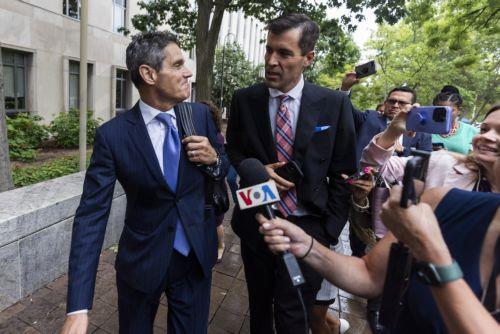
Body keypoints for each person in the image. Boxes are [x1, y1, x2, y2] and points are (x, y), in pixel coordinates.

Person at [61, 31, 229, 334]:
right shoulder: (113, 136)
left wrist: (214, 158)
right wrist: (78, 307)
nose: (188, 72)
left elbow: (224, 168)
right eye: (177, 65)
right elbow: (91, 217)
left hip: (195, 259)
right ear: (149, 74)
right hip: (141, 263)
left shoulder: (200, 115)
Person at [226, 13, 357, 334]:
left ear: (307, 58)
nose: (271, 61)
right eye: (269, 50)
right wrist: (254, 169)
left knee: (294, 314)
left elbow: (344, 172)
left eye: (284, 53)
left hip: (310, 227)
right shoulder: (245, 99)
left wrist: (328, 230)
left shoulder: (334, 104)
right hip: (258, 218)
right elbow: (234, 151)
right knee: (259, 308)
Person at [257, 182, 500, 333]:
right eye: (487, 129)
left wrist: (428, 248)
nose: (487, 138)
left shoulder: (429, 240)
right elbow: (369, 275)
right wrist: (308, 246)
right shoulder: (443, 202)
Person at [360, 104, 500, 193]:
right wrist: (392, 132)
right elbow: (373, 168)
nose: (488, 136)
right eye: (484, 130)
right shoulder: (443, 162)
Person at [200, 100, 229, 262]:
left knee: (217, 222)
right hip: (203, 187)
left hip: (215, 187)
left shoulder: (216, 137)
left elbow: (222, 163)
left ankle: (220, 246)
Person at [431, 85, 479, 154]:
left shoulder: (471, 132)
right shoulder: (424, 128)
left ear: (459, 110)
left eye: (449, 110)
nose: (444, 114)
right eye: (440, 110)